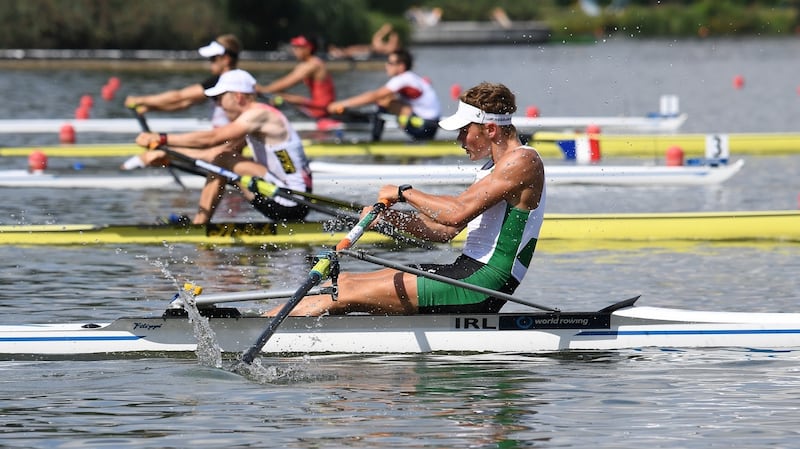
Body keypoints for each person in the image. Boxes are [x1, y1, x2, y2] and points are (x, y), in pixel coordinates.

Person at [270, 82, 546, 317]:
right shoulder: (491, 169)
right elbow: (445, 231)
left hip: (483, 283)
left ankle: (249, 330)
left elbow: (455, 213)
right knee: (342, 280)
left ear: (490, 130)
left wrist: (404, 193)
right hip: (465, 271)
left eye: (464, 130)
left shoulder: (523, 160)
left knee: (346, 291)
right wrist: (387, 220)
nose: (460, 139)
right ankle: (259, 320)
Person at [134, 69, 312, 225]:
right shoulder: (251, 121)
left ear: (238, 96)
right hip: (280, 196)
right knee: (223, 158)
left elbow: (212, 138)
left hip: (292, 202)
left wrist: (162, 138)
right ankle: (200, 222)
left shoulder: (259, 114)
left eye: (219, 98)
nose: (217, 104)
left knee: (223, 160)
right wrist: (169, 155)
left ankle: (200, 224)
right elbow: (214, 152)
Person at [122, 34, 242, 170]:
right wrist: (151, 107)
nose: (210, 62)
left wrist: (140, 99)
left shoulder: (224, 81)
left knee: (159, 152)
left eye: (212, 59)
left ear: (225, 59)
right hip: (220, 141)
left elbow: (179, 97)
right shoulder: (232, 80)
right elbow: (185, 104)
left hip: (223, 145)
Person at [327, 49, 441, 141]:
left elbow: (374, 96)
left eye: (390, 63)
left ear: (401, 66)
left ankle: (375, 140)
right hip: (429, 126)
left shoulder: (403, 79)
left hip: (424, 127)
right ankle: (375, 128)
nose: (386, 65)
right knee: (387, 100)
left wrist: (342, 104)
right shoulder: (412, 77)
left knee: (383, 101)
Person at [255, 35, 336, 120]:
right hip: (317, 106)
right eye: (294, 48)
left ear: (308, 48)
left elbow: (286, 83)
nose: (295, 51)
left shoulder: (312, 65)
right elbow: (282, 84)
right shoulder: (309, 63)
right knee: (275, 97)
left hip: (321, 108)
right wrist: (267, 92)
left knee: (278, 97)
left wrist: (263, 90)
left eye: (298, 48)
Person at [327, 23, 401, 60]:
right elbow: (376, 39)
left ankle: (340, 54)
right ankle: (340, 52)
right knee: (355, 47)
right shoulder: (387, 45)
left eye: (393, 37)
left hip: (369, 52)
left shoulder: (392, 48)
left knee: (354, 50)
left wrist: (384, 31)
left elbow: (376, 40)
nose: (391, 38)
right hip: (369, 50)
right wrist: (384, 31)